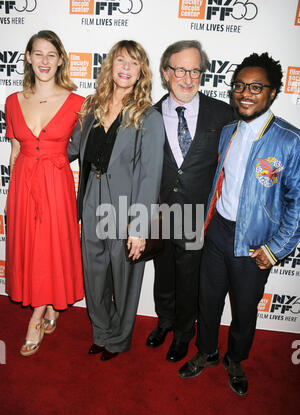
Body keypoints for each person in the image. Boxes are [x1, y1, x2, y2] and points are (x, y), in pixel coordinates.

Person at [179, 52, 300, 396]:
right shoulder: (228, 130)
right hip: (218, 232)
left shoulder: (290, 141)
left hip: (255, 242)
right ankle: (207, 352)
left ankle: (236, 359)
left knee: (245, 308)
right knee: (208, 301)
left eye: (256, 87)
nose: (245, 93)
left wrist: (274, 250)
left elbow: (298, 204)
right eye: (240, 86)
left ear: (273, 92)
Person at [68, 40, 164, 361]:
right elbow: (70, 149)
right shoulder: (90, 106)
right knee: (94, 272)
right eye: (120, 61)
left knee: (123, 276)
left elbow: (149, 176)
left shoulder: (148, 117)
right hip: (92, 197)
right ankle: (101, 331)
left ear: (141, 72)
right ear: (110, 65)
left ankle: (119, 339)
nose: (125, 68)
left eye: (133, 64)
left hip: (125, 206)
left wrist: (138, 227)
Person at [145, 40, 234, 362]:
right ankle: (164, 322)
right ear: (166, 73)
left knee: (189, 279)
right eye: (180, 69)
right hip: (159, 213)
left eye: (195, 70)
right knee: (163, 274)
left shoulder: (223, 114)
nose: (187, 78)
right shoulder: (149, 115)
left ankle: (184, 333)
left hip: (199, 217)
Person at [5, 30, 84, 356]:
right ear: (27, 57)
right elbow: (13, 151)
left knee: (50, 249)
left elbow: (85, 149)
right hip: (24, 183)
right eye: (38, 53)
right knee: (32, 250)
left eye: (51, 54)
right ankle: (48, 305)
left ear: (61, 59)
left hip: (55, 185)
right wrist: (11, 196)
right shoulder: (12, 101)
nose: (45, 61)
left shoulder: (78, 103)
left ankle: (36, 317)